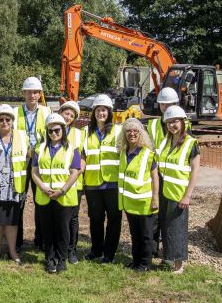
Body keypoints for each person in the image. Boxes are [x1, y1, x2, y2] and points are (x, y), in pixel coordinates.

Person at [31, 113, 81, 273]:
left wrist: (62, 190)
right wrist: (43, 188)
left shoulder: (72, 148)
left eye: (57, 130)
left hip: (64, 196)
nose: (54, 133)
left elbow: (75, 172)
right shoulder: (39, 148)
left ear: (63, 130)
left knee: (63, 229)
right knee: (48, 229)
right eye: (50, 131)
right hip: (44, 196)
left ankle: (62, 259)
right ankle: (50, 258)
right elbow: (34, 172)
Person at [146, 87, 191, 256]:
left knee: (170, 218)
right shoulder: (152, 125)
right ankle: (152, 251)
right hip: (155, 174)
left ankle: (170, 253)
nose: (166, 107)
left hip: (173, 178)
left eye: (169, 104)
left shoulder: (184, 126)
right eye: (163, 104)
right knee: (154, 215)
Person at [157, 106, 200, 274]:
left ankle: (179, 265)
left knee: (177, 228)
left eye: (175, 121)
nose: (172, 125)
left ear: (183, 122)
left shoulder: (191, 143)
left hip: (179, 192)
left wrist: (187, 195)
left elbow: (195, 170)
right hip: (164, 190)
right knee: (165, 226)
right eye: (168, 122)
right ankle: (167, 258)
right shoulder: (165, 141)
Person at [0, 104, 28, 265]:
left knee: (12, 219)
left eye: (7, 119)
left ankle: (12, 250)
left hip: (14, 185)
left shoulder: (21, 137)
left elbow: (31, 155)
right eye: (1, 119)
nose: (4, 122)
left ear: (12, 120)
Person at [82, 94, 122, 264]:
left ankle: (109, 254)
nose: (101, 113)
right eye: (98, 110)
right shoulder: (85, 132)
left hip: (113, 183)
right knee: (96, 220)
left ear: (109, 112)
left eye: (104, 110)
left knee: (114, 220)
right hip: (92, 184)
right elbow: (83, 156)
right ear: (94, 112)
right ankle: (96, 250)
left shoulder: (119, 131)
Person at [13, 76, 51, 252]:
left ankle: (41, 239)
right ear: (23, 93)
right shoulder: (15, 113)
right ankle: (17, 241)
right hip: (20, 162)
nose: (32, 95)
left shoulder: (47, 112)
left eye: (35, 92)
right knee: (19, 201)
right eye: (29, 92)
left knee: (41, 200)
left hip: (39, 161)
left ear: (40, 94)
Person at [117, 118, 160, 272]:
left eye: (135, 131)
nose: (132, 134)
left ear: (141, 134)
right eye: (129, 131)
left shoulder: (148, 154)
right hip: (129, 202)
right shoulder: (123, 153)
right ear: (124, 134)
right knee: (135, 235)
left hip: (144, 202)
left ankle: (145, 264)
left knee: (146, 235)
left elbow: (155, 177)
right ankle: (135, 261)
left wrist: (155, 198)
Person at [58, 100, 85, 264]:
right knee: (58, 216)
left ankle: (71, 250)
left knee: (73, 217)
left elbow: (83, 158)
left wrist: (74, 174)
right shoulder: (52, 130)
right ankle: (57, 247)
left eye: (71, 115)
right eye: (66, 113)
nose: (68, 117)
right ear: (60, 112)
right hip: (55, 182)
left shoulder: (79, 134)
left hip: (75, 182)